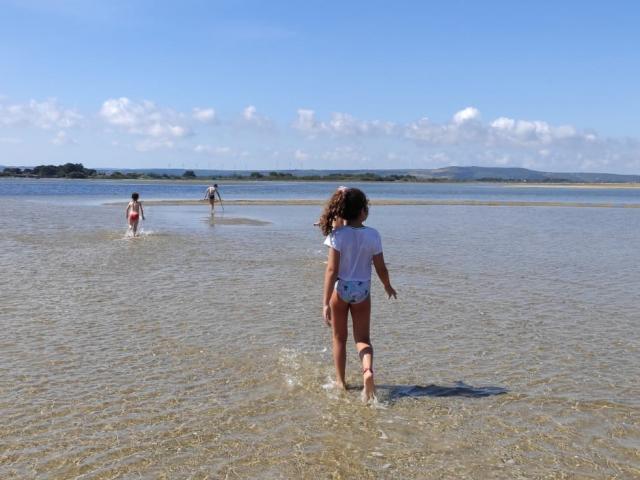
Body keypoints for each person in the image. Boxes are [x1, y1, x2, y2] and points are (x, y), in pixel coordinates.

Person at [319, 186, 397, 402]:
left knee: (339, 338)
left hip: (341, 289)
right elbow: (380, 267)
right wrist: (387, 285)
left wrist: (325, 302)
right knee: (363, 339)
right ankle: (367, 371)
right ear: (363, 211)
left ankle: (340, 382)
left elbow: (332, 270)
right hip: (362, 289)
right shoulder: (373, 235)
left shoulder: (337, 235)